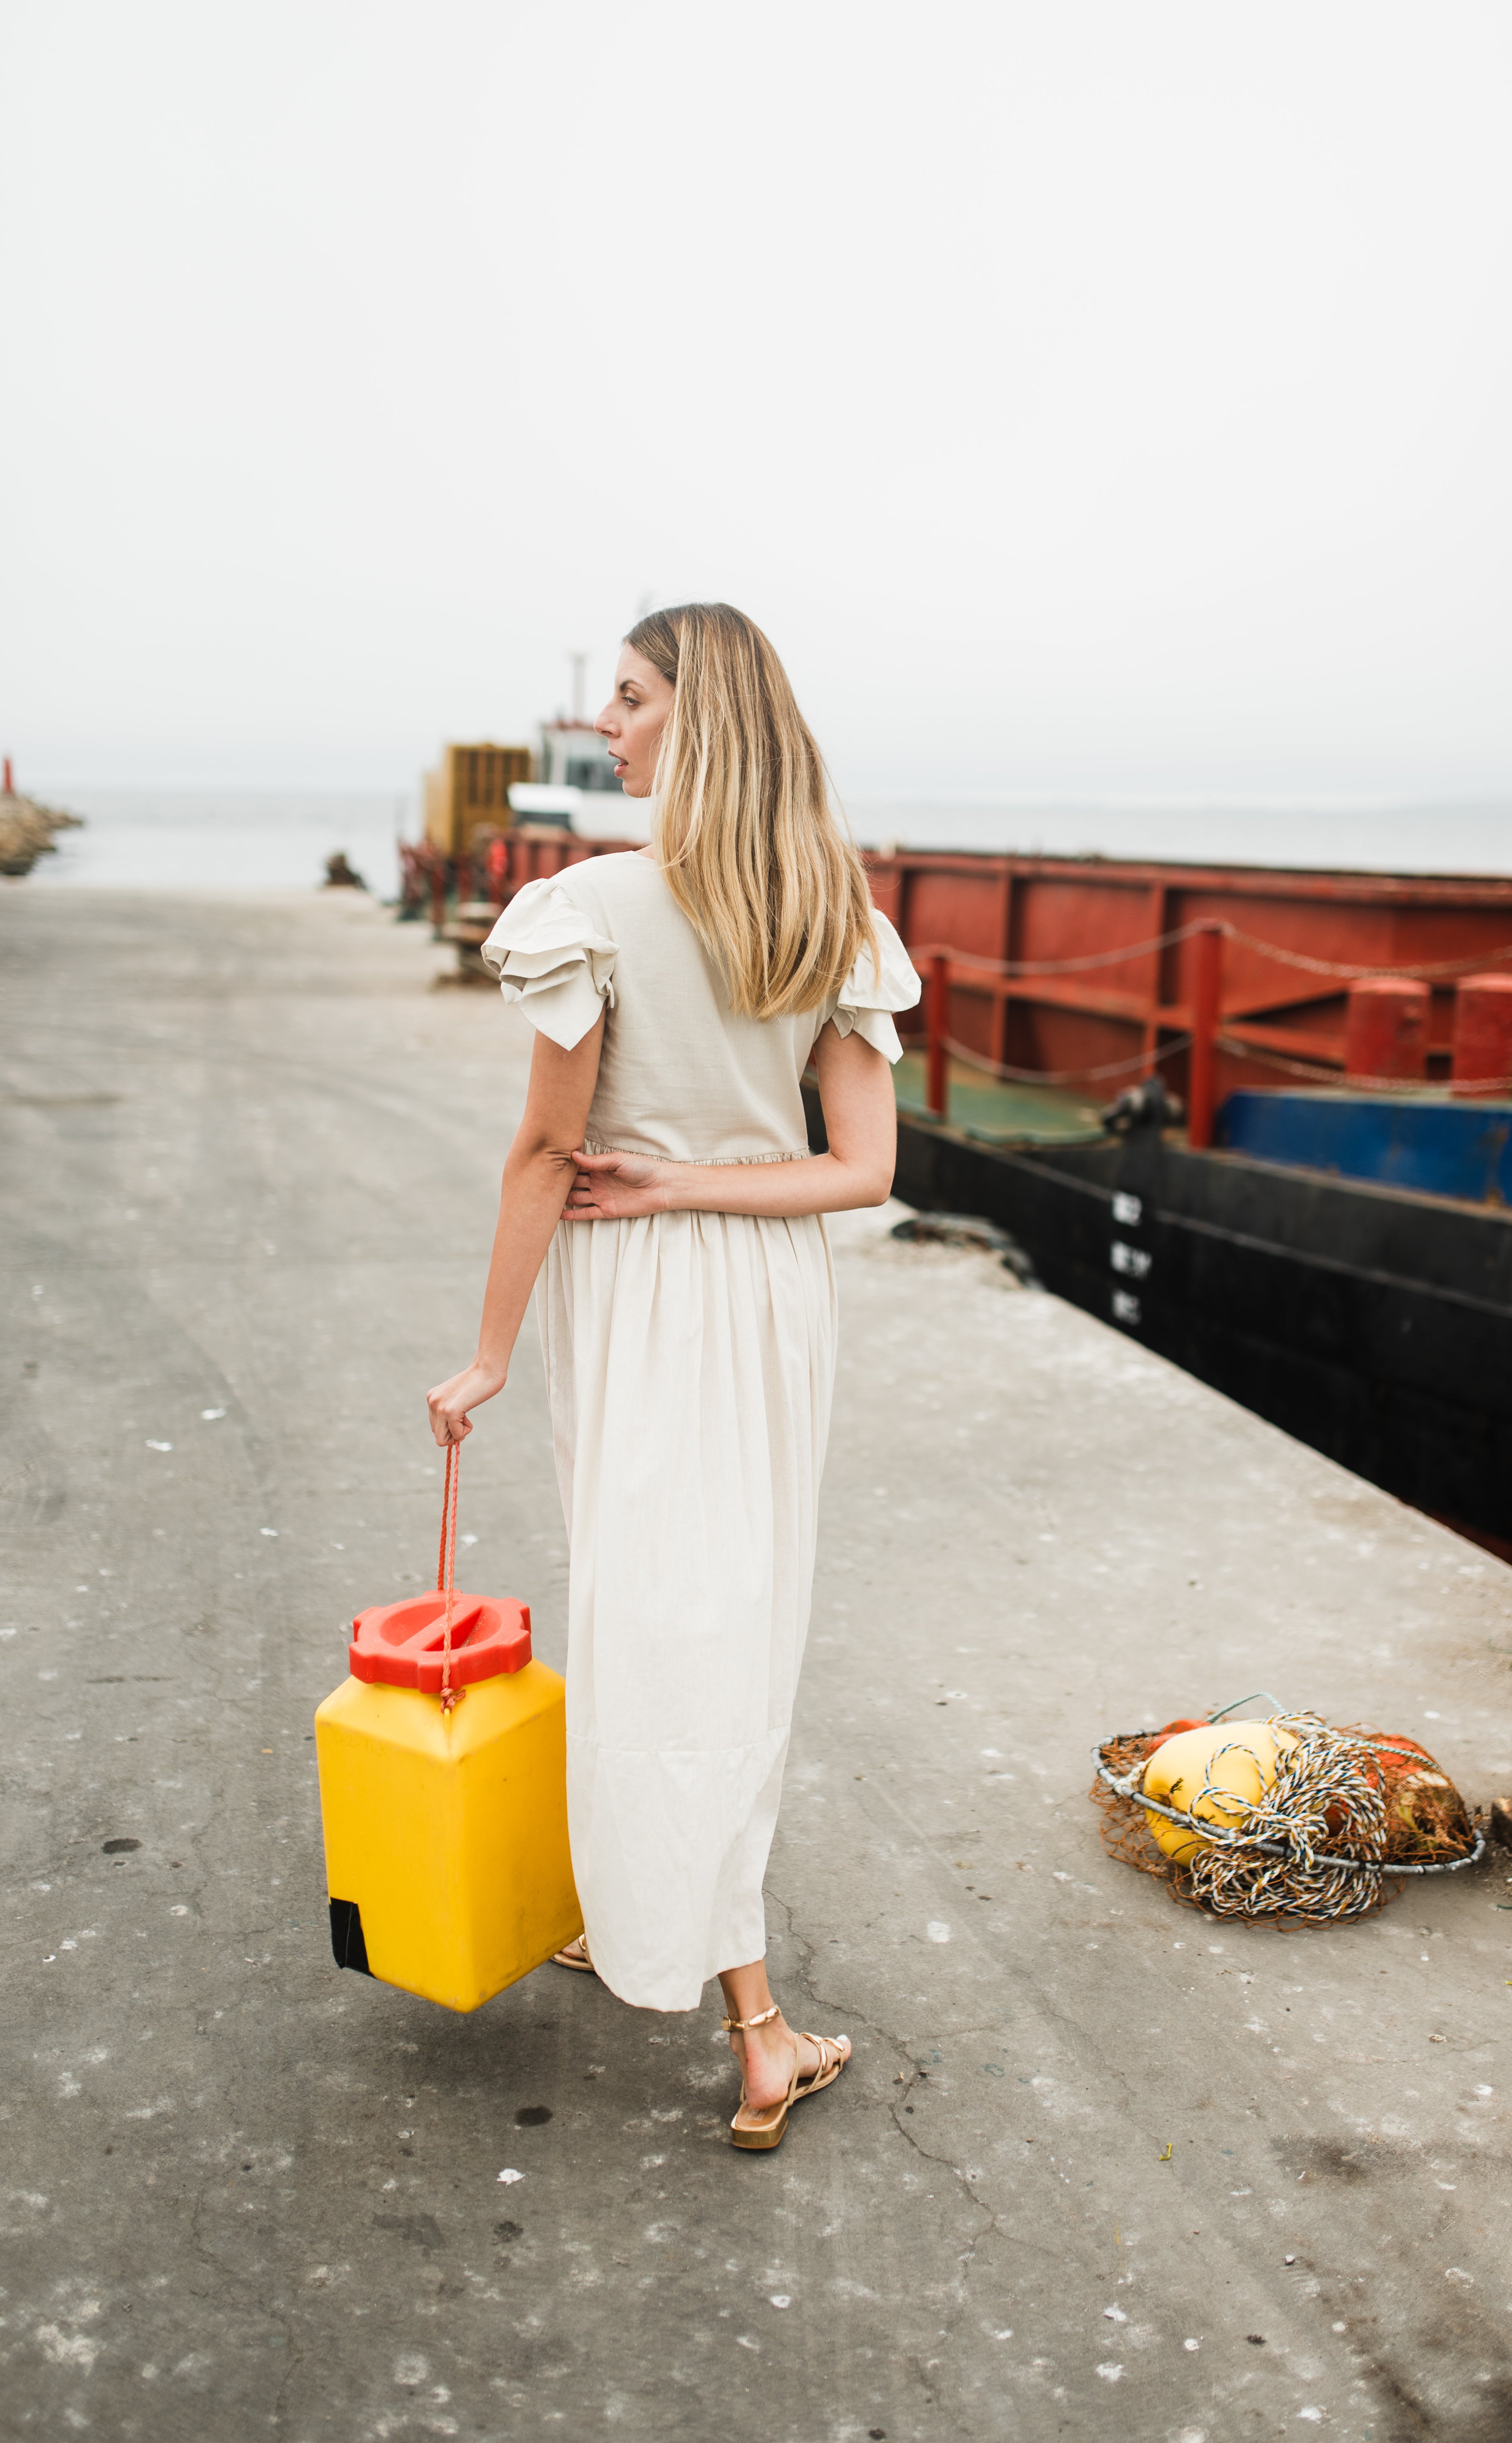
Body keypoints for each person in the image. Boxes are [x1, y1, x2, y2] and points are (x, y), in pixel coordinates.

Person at [426, 604, 921, 2150]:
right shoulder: (823, 912)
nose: (610, 722)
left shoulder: (588, 907)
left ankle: (757, 2026)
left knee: (652, 1612)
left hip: (639, 1287)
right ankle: (635, 1904)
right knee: (725, 1620)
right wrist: (705, 1183)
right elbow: (862, 1171)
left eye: (634, 698)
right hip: (767, 1292)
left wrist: (490, 1349)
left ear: (696, 719)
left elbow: (545, 1152)